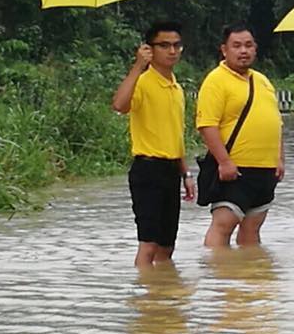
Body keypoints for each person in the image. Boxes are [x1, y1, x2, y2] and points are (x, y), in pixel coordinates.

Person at [112, 21, 195, 268]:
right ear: (150, 49)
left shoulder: (176, 87)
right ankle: (144, 289)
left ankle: (162, 289)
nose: (172, 51)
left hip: (171, 170)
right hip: (148, 169)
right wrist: (138, 66)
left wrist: (186, 173)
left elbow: (176, 135)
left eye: (177, 45)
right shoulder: (143, 82)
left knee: (166, 247)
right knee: (148, 244)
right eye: (164, 45)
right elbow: (119, 105)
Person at [196, 24, 284, 247]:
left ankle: (250, 268)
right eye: (236, 46)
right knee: (223, 225)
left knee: (253, 227)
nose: (243, 51)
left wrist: (279, 158)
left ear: (255, 48)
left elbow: (276, 122)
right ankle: (216, 268)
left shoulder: (262, 81)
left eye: (248, 45)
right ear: (224, 50)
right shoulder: (216, 80)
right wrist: (224, 162)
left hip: (265, 168)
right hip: (235, 168)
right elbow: (207, 125)